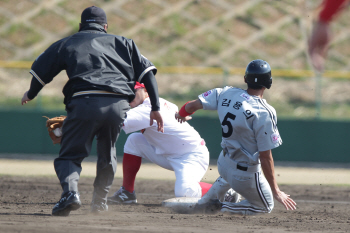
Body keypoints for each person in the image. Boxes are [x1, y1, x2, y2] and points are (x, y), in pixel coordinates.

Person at [21, 6, 163, 216]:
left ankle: (71, 194)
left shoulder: (68, 42)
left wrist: (31, 94)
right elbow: (148, 74)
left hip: (84, 102)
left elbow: (41, 72)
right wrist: (156, 108)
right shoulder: (124, 42)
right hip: (117, 105)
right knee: (108, 153)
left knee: (70, 155)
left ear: (81, 25)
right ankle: (100, 201)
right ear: (105, 27)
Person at [176, 59, 297, 215]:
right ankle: (222, 207)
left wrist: (181, 114)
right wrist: (276, 190)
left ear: (245, 79)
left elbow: (191, 106)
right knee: (265, 206)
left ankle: (207, 201)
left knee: (229, 179)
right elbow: (265, 156)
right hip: (244, 174)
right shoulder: (264, 112)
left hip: (224, 163)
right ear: (268, 82)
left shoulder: (225, 92)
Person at [107, 82, 214, 203]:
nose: (129, 95)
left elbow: (114, 121)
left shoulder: (146, 109)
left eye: (133, 91)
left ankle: (225, 192)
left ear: (146, 90)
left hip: (191, 156)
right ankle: (127, 192)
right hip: (168, 154)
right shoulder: (159, 102)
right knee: (134, 141)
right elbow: (173, 108)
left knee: (185, 192)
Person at [308, 0, 348, 72]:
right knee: (321, 53)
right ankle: (320, 69)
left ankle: (318, 68)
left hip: (321, 27)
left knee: (311, 50)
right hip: (328, 30)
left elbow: (321, 6)